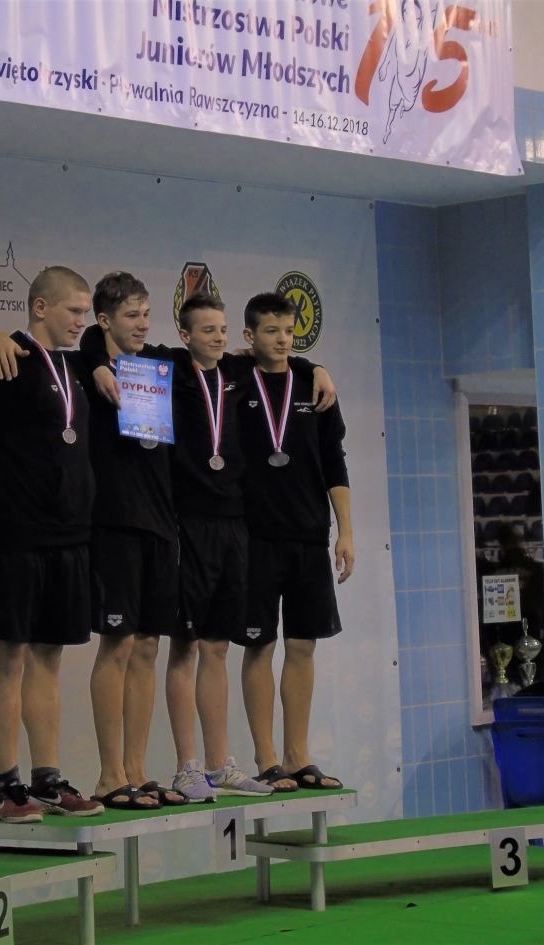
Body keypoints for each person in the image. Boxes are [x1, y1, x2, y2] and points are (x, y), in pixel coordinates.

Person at [83, 292, 337, 800]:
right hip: (187, 523)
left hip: (235, 525)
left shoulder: (239, 374)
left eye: (222, 329)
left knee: (218, 647)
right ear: (185, 336)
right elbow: (99, 337)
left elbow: (281, 360)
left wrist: (317, 367)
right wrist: (94, 361)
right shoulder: (171, 368)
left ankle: (221, 764)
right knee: (185, 646)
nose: (218, 337)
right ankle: (187, 765)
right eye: (207, 330)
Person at [0, 272, 182, 809]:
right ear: (102, 319)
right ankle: (100, 774)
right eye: (131, 315)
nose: (142, 324)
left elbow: (222, 361)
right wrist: (2, 338)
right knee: (90, 648)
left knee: (139, 647)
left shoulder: (150, 365)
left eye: (147, 314)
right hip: (93, 526)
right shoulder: (74, 365)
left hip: (147, 525)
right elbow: (71, 342)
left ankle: (127, 770)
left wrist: (312, 367)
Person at [0, 265, 104, 823]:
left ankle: (47, 779)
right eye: (73, 311)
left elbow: (120, 339)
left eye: (86, 312)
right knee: (8, 656)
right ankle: (7, 785)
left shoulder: (78, 366)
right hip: (14, 536)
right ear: (41, 308)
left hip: (70, 538)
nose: (82, 321)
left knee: (49, 660)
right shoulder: (3, 365)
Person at [236, 292, 353, 791]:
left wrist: (346, 530)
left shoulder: (314, 385)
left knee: (303, 644)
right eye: (271, 331)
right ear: (250, 336)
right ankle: (266, 757)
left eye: (289, 331)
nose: (283, 340)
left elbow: (334, 461)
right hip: (254, 536)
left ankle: (297, 754)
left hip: (308, 534)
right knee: (259, 645)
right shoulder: (236, 380)